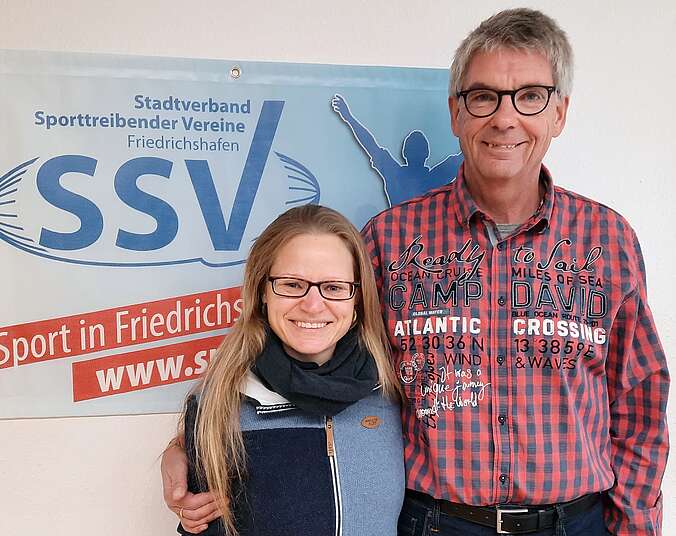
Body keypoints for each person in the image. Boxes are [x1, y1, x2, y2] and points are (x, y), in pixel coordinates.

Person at [163, 8, 669, 535]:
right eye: (484, 96)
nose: (505, 118)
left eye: (530, 96)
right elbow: (306, 354)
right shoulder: (389, 241)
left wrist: (637, 524)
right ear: (456, 112)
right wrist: (189, 444)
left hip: (577, 523)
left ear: (559, 113)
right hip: (435, 523)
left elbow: (641, 401)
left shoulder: (608, 240)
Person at [167, 205, 404, 535]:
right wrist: (178, 450)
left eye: (333, 287)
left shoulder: (391, 391)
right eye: (292, 284)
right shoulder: (217, 405)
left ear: (357, 298)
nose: (313, 305)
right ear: (262, 291)